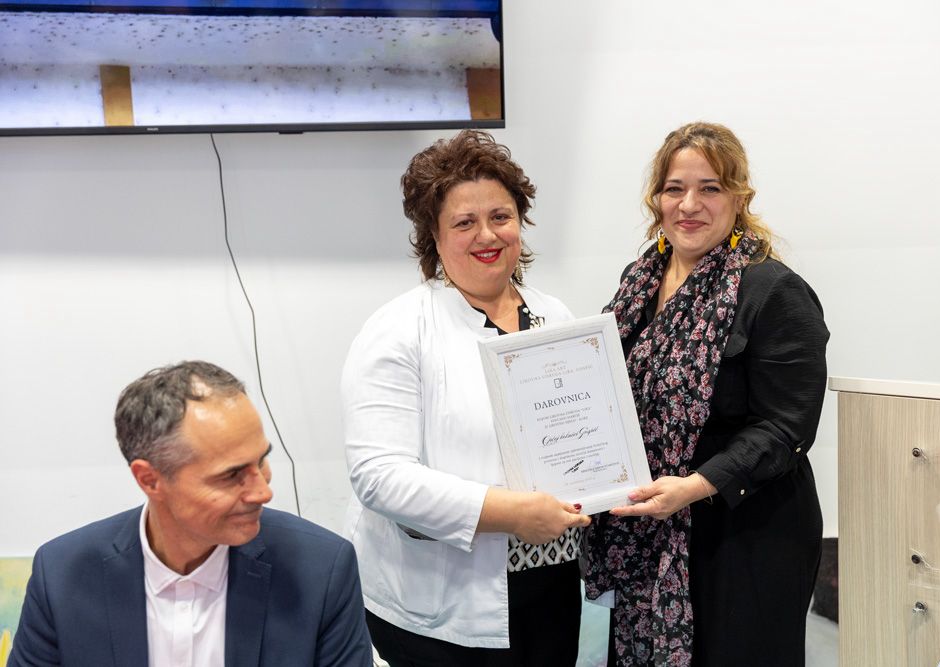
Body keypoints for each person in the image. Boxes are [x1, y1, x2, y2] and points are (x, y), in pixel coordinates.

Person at [342, 129, 591, 666]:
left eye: (501, 217)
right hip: (443, 607)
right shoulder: (398, 330)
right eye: (464, 222)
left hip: (550, 584)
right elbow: (378, 475)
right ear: (433, 236)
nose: (487, 235)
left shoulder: (558, 318)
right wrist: (509, 512)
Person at [585, 122, 829, 666]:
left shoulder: (773, 290)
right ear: (657, 199)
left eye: (710, 188)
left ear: (739, 199)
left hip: (745, 531)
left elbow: (786, 427)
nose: (689, 204)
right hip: (653, 525)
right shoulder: (639, 280)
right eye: (674, 188)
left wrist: (695, 487)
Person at [10, 361, 372, 667]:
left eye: (261, 460)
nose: (263, 491)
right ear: (150, 480)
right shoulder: (61, 576)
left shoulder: (321, 570)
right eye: (231, 475)